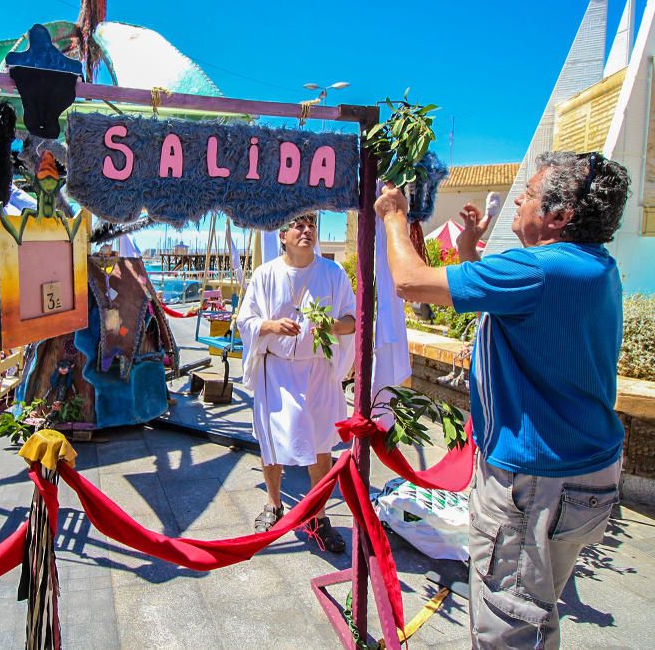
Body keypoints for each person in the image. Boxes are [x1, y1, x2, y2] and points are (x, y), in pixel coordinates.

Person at [374, 151, 630, 649]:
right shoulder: (595, 267)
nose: (520, 200)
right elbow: (510, 299)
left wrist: (394, 216)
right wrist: (470, 247)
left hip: (535, 484)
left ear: (560, 216)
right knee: (537, 609)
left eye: (530, 195)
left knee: (507, 624)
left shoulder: (539, 271)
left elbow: (410, 282)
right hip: (585, 476)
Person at [237, 214, 356, 551]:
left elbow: (353, 319)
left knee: (321, 448)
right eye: (298, 226)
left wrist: (331, 325)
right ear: (283, 236)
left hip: (317, 372)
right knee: (271, 445)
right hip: (275, 373)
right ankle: (274, 505)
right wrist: (271, 327)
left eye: (311, 226)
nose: (306, 231)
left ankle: (317, 515)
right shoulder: (265, 274)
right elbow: (244, 319)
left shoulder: (332, 273)